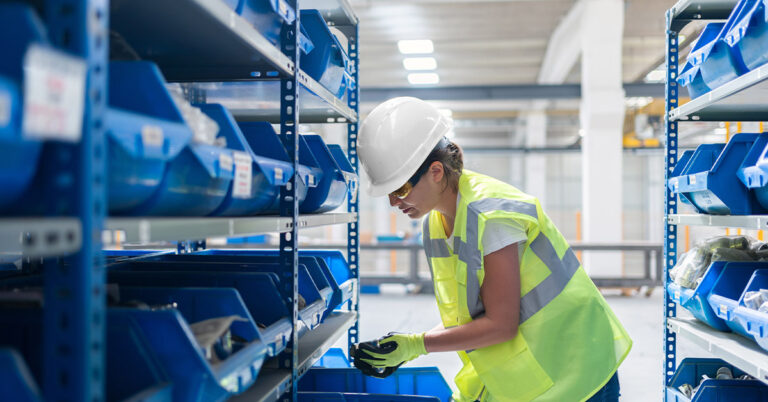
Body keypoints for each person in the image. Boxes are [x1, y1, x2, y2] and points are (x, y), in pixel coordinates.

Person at [354, 97, 632, 402]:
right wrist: (408, 348)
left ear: (436, 172)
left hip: (574, 364)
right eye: (389, 193)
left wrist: (418, 344)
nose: (394, 202)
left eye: (401, 189)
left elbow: (501, 325)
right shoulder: (435, 224)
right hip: (531, 364)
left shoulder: (491, 217)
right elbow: (472, 313)